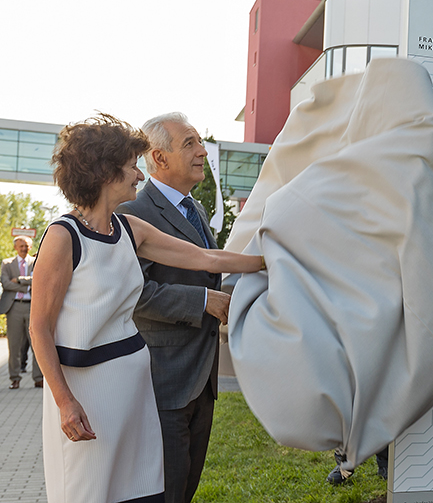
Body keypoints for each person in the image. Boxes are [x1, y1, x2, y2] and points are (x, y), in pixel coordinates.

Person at [29, 114, 263, 503]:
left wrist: (271, 259)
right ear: (105, 171)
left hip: (135, 393)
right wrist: (65, 401)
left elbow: (209, 259)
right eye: (131, 166)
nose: (139, 175)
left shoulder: (129, 229)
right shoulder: (62, 236)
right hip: (87, 396)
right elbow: (40, 328)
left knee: (142, 494)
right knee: (87, 492)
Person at [115, 112, 231, 503]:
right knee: (165, 492)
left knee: (186, 488)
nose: (202, 151)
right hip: (163, 379)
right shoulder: (132, 213)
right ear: (158, 157)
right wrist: (203, 302)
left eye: (200, 142)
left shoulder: (195, 211)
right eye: (190, 144)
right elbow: (134, 292)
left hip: (203, 379)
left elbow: (211, 273)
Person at [1, 235, 43, 389]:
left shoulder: (36, 262)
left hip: (34, 307)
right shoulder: (6, 264)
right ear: (15, 247)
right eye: (21, 246)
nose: (24, 248)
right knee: (14, 345)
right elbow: (5, 284)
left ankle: (38, 378)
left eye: (26, 245)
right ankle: (14, 378)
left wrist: (19, 280)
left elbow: (39, 280)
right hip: (14, 308)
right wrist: (27, 284)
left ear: (30, 247)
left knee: (37, 344)